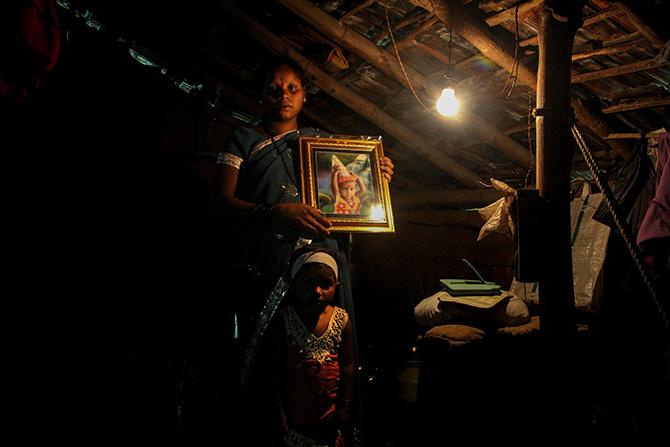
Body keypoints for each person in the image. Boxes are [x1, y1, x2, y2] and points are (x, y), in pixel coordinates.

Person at [215, 56, 393, 441]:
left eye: (292, 88)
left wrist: (375, 172)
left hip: (319, 261)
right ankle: (265, 428)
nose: (284, 96)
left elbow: (347, 189)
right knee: (269, 351)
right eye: (274, 89)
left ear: (304, 95)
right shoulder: (242, 139)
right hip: (266, 261)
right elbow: (223, 202)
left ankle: (331, 426)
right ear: (260, 95)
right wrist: (274, 212)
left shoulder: (318, 143)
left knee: (323, 352)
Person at [270, 246, 354, 446]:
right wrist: (278, 410)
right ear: (293, 284)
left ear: (337, 285)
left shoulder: (341, 320)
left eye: (325, 284)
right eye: (307, 283)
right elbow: (272, 371)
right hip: (294, 422)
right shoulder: (285, 322)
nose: (317, 291)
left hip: (329, 421)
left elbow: (348, 363)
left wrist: (345, 405)